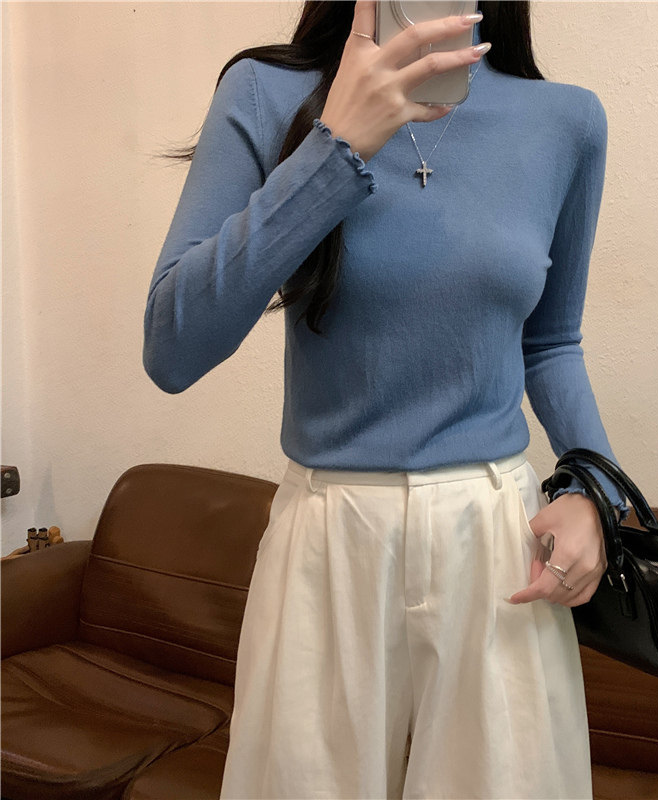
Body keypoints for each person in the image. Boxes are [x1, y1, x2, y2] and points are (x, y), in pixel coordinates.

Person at [143, 2, 631, 797]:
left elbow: (550, 343)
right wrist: (333, 148)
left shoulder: (566, 121)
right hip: (327, 544)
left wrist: (594, 493)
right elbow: (172, 349)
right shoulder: (266, 92)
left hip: (497, 543)